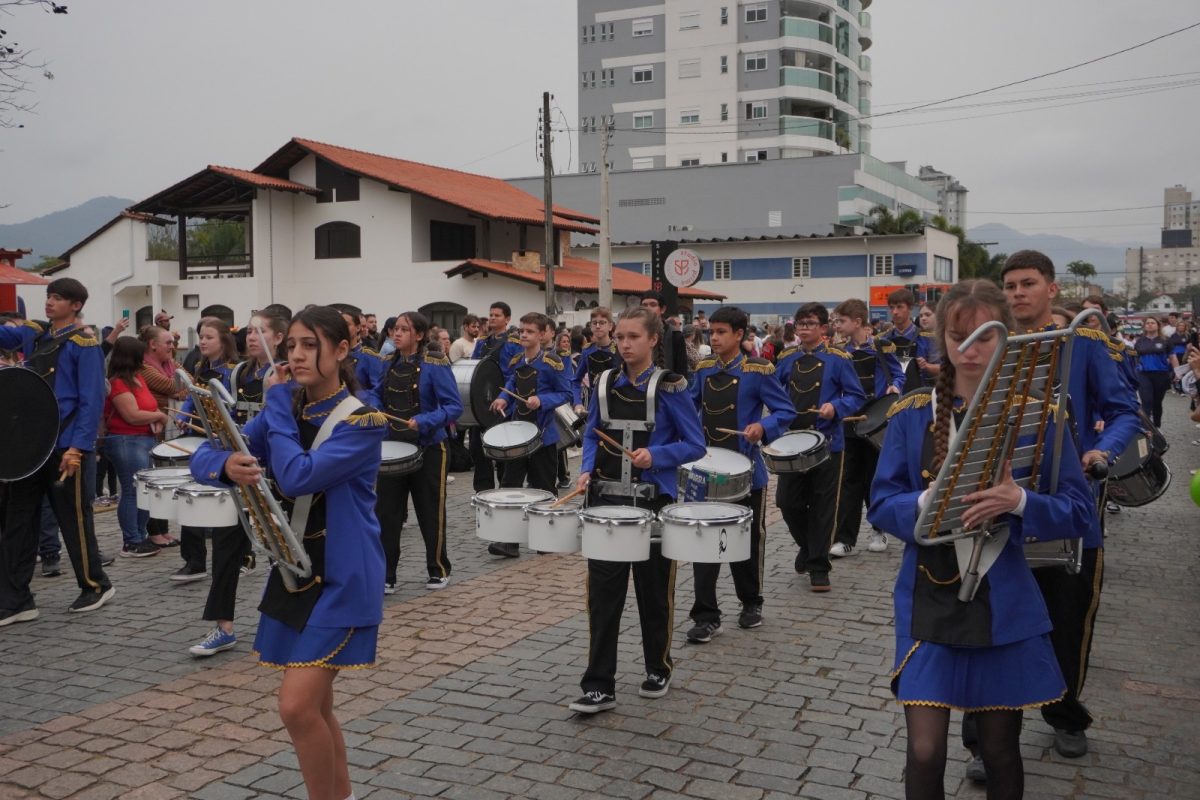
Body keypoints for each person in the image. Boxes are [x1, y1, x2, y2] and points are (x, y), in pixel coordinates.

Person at [868, 279, 1095, 800]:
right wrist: (926, 503)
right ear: (941, 339)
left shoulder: (1038, 415)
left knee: (998, 749)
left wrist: (1019, 503)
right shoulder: (911, 418)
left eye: (984, 337)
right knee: (924, 751)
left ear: (1008, 336)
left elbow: (1079, 513)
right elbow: (881, 505)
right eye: (958, 336)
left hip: (1005, 602)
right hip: (929, 597)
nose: (969, 350)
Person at [189, 305, 385, 800]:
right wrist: (225, 464)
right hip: (295, 570)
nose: (295, 356)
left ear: (341, 351)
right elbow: (206, 451)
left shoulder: (363, 422)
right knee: (316, 708)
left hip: (344, 577)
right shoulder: (290, 409)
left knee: (296, 707)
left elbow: (298, 474)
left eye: (309, 345)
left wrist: (275, 403)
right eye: (291, 344)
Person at [984, 249, 1140, 772]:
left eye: (1028, 283)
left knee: (1067, 623)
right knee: (988, 624)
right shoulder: (993, 344)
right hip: (999, 510)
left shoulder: (1087, 342)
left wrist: (1103, 453)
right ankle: (987, 736)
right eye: (1009, 285)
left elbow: (1124, 413)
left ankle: (1065, 714)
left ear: (1052, 288)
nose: (1017, 293)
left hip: (1066, 508)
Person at [571, 307, 705, 714]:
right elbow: (594, 433)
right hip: (607, 503)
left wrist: (657, 455)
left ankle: (657, 667)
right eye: (620, 337)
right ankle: (598, 685)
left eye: (633, 337)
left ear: (652, 341)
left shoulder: (672, 386)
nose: (624, 344)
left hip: (654, 500)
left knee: (653, 593)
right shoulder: (603, 382)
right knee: (603, 595)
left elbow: (695, 444)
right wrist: (585, 470)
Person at [0, 278, 114, 625]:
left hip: (65, 443)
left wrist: (79, 446)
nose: (50, 302)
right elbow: (4, 336)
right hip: (31, 444)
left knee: (73, 518)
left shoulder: (85, 343)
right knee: (17, 519)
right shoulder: (35, 333)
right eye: (49, 296)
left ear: (75, 305)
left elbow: (91, 400)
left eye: (58, 298)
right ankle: (17, 599)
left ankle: (96, 584)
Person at [686, 306, 794, 642]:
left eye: (721, 332)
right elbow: (688, 407)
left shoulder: (758, 370)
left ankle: (751, 601)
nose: (714, 338)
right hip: (707, 471)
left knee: (746, 540)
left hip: (746, 470)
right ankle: (706, 614)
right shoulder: (702, 369)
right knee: (704, 541)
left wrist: (762, 426)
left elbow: (785, 410)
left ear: (738, 335)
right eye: (711, 333)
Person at [774, 302, 866, 592]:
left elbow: (855, 395)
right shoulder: (786, 358)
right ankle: (808, 545)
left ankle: (818, 566)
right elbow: (775, 394)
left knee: (824, 506)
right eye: (800, 323)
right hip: (791, 443)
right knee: (787, 503)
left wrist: (835, 407)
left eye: (811, 323)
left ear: (824, 328)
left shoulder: (839, 358)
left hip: (828, 443)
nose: (804, 328)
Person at [372, 311, 461, 593]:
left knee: (430, 511)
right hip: (392, 446)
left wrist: (424, 421)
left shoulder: (436, 364)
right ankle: (386, 574)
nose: (396, 334)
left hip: (430, 447)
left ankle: (438, 569)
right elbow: (376, 392)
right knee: (387, 513)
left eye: (403, 329)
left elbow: (453, 406)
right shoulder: (386, 362)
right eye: (394, 329)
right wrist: (373, 405)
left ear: (419, 335)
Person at [488, 312, 572, 556]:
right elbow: (511, 386)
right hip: (518, 434)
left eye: (530, 331)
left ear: (542, 334)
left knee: (544, 486)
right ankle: (509, 541)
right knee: (510, 485)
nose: (524, 335)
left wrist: (541, 399)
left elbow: (565, 393)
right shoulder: (516, 362)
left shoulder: (552, 363)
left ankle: (546, 538)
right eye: (522, 331)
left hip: (543, 436)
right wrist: (503, 399)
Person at [830, 298, 904, 557]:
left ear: (858, 322)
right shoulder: (839, 350)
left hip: (876, 419)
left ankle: (879, 530)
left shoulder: (882, 347)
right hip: (849, 420)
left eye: (841, 321)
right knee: (849, 479)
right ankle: (845, 538)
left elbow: (898, 373)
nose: (837, 326)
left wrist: (896, 387)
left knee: (875, 477)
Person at [173, 316, 239, 583]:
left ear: (223, 340)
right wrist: (184, 413)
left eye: (209, 337)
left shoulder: (234, 371)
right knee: (191, 498)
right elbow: (192, 395)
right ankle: (194, 560)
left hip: (223, 444)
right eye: (201, 336)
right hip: (199, 441)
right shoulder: (200, 367)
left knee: (228, 502)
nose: (202, 341)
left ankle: (240, 556)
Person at [101, 337, 168, 558]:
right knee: (131, 491)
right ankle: (131, 540)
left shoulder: (138, 378)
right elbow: (132, 415)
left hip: (143, 438)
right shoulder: (118, 383)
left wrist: (156, 418)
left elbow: (148, 406)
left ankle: (139, 534)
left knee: (143, 490)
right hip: (126, 440)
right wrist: (158, 415)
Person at [470, 302, 523, 493]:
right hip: (481, 403)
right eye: (491, 314)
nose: (492, 318)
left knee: (502, 449)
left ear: (507, 319)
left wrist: (504, 397)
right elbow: (474, 369)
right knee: (478, 448)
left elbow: (516, 375)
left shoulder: (513, 344)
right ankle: (482, 490)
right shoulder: (482, 342)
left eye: (497, 315)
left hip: (503, 403)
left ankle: (504, 490)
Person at [330, 302, 385, 402]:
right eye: (340, 325)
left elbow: (377, 391)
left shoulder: (370, 357)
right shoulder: (331, 355)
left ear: (358, 327)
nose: (342, 328)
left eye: (346, 324)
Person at [640, 291, 691, 377]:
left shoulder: (675, 335)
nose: (648, 308)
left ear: (662, 309)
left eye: (653, 305)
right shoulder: (635, 334)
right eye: (644, 305)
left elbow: (681, 371)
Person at [1134, 316, 1171, 428]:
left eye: (1153, 323)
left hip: (1161, 374)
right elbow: (1135, 357)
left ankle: (1157, 427)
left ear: (1158, 325)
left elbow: (1172, 357)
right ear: (1145, 326)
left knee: (1157, 403)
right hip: (1144, 374)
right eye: (1148, 323)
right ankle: (1145, 429)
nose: (1150, 325)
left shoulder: (1165, 341)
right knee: (1146, 401)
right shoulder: (1139, 341)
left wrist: (1178, 373)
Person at [915, 301, 941, 384]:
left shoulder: (948, 338)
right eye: (921, 316)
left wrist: (926, 366)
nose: (923, 318)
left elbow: (950, 369)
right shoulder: (916, 337)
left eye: (927, 315)